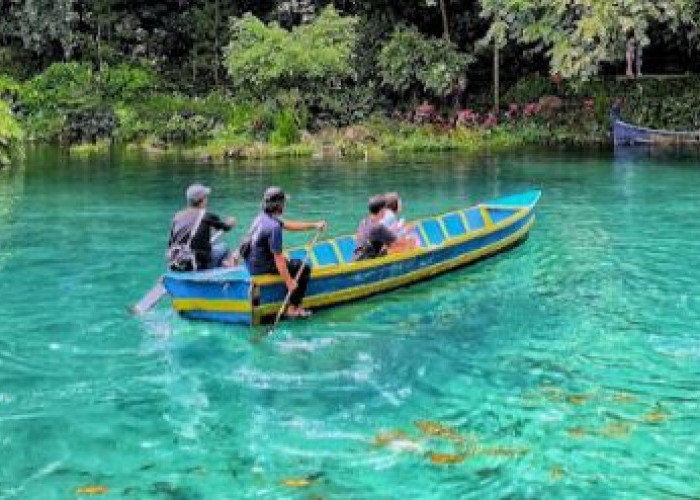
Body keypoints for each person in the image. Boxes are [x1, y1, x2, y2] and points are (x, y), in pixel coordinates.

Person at [245, 187, 327, 319]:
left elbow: (288, 225)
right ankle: (293, 307)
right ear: (278, 205)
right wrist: (289, 281)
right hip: (262, 267)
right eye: (283, 203)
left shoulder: (262, 218)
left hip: (251, 265)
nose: (285, 205)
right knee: (302, 267)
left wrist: (314, 225)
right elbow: (278, 259)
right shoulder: (274, 227)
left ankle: (293, 305)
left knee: (288, 260)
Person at [167, 183, 236, 271]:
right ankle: (223, 274)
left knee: (211, 247)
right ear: (202, 199)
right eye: (206, 197)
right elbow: (226, 227)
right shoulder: (207, 216)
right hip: (197, 263)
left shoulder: (177, 216)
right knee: (223, 247)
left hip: (177, 262)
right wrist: (230, 222)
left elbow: (171, 243)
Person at [354, 194, 417, 261]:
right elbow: (397, 241)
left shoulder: (363, 222)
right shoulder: (379, 227)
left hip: (357, 258)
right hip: (369, 260)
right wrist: (407, 232)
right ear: (382, 211)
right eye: (385, 210)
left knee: (387, 246)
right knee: (410, 241)